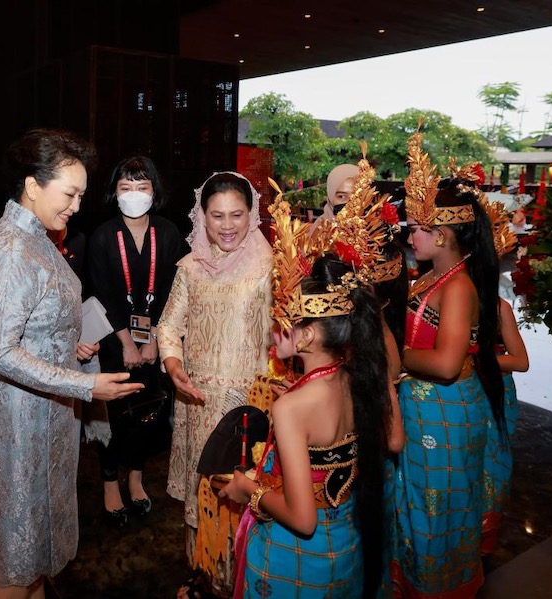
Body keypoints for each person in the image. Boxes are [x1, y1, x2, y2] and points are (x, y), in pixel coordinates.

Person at [0, 128, 144, 599]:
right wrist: (86, 385)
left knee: (38, 553)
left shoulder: (37, 238)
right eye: (70, 194)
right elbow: (0, 351)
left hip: (48, 412)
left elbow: (37, 326)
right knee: (17, 559)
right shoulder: (13, 249)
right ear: (32, 185)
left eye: (81, 196)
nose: (76, 206)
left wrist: (70, 346)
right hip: (20, 420)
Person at [220, 179, 402, 598]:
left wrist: (248, 488)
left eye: (281, 318)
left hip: (297, 557)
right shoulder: (356, 377)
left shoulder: (293, 407)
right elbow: (384, 441)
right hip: (345, 544)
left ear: (305, 335)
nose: (273, 328)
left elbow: (303, 519)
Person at [392, 130, 505, 598]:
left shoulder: (458, 288)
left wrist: (395, 357)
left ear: (441, 235)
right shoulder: (428, 278)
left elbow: (445, 363)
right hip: (420, 410)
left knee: (436, 512)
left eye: (416, 229)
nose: (409, 236)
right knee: (413, 504)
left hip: (446, 410)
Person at [157, 171, 273, 597]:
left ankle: (236, 582)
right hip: (198, 402)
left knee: (239, 492)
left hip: (247, 408)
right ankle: (204, 575)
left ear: (252, 215)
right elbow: (169, 325)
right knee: (203, 492)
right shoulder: (190, 268)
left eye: (236, 215)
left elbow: (283, 336)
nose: (227, 226)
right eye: (217, 215)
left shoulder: (269, 268)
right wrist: (172, 363)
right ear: (201, 216)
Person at [87, 156, 182, 527]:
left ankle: (136, 476)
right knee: (114, 413)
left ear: (154, 192)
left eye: (141, 186)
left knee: (149, 410)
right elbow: (102, 294)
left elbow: (172, 292)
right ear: (115, 192)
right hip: (114, 340)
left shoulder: (168, 233)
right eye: (125, 187)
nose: (134, 194)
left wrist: (155, 339)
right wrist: (126, 343)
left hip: (155, 337)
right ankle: (110, 480)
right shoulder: (102, 235)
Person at [480, 198, 529, 555]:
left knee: (492, 463)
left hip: (494, 392)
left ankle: (484, 537)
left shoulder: (500, 309)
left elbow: (521, 361)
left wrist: (477, 358)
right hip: (462, 393)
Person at [311, 163, 359, 229]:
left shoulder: (371, 227)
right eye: (341, 196)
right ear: (331, 196)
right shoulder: (318, 229)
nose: (349, 204)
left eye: (356, 197)